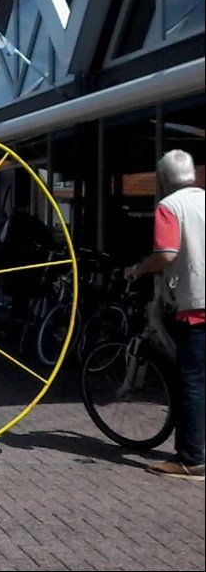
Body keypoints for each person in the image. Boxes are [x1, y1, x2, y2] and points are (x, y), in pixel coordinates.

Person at [124, 149, 204, 481]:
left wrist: (137, 269)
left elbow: (166, 253)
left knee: (192, 381)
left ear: (162, 179)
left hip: (197, 303)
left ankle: (191, 459)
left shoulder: (170, 207)